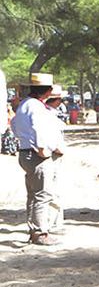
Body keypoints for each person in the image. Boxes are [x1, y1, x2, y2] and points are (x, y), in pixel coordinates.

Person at [12, 73, 68, 244]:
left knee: (33, 194)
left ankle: (34, 229)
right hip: (36, 154)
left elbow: (14, 125)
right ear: (48, 91)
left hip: (25, 152)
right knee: (42, 195)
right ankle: (40, 233)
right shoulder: (36, 107)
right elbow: (39, 129)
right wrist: (43, 148)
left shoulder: (24, 105)